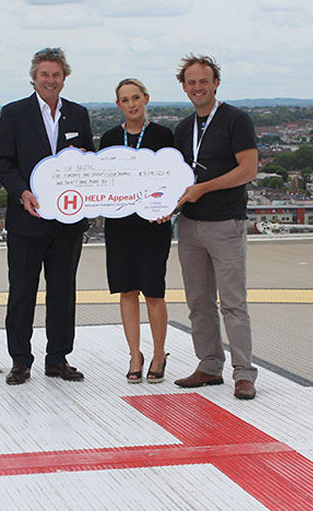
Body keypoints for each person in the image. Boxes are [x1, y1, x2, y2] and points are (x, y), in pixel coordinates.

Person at [0, 48, 95, 385]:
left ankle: (58, 358)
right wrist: (22, 192)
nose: (50, 80)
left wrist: (83, 160)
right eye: (44, 74)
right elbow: (3, 162)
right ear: (34, 77)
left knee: (63, 292)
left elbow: (90, 163)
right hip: (27, 219)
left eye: (56, 74)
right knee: (22, 291)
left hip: (67, 222)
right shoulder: (14, 113)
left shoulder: (78, 114)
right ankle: (20, 360)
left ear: (64, 77)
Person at [171, 54, 258, 399]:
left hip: (226, 223)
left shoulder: (236, 120)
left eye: (203, 81)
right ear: (183, 87)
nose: (197, 87)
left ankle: (244, 373)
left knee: (233, 302)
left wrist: (203, 188)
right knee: (198, 301)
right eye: (191, 82)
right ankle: (208, 366)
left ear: (216, 83)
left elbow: (247, 170)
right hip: (190, 226)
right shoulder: (182, 128)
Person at [98, 78, 174, 384]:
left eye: (136, 98)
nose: (131, 104)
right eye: (125, 100)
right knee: (126, 291)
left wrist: (166, 208)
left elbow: (173, 178)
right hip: (119, 226)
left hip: (153, 225)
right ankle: (134, 354)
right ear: (118, 105)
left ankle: (158, 354)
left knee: (153, 292)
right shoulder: (109, 138)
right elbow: (101, 181)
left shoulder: (163, 135)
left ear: (146, 99)